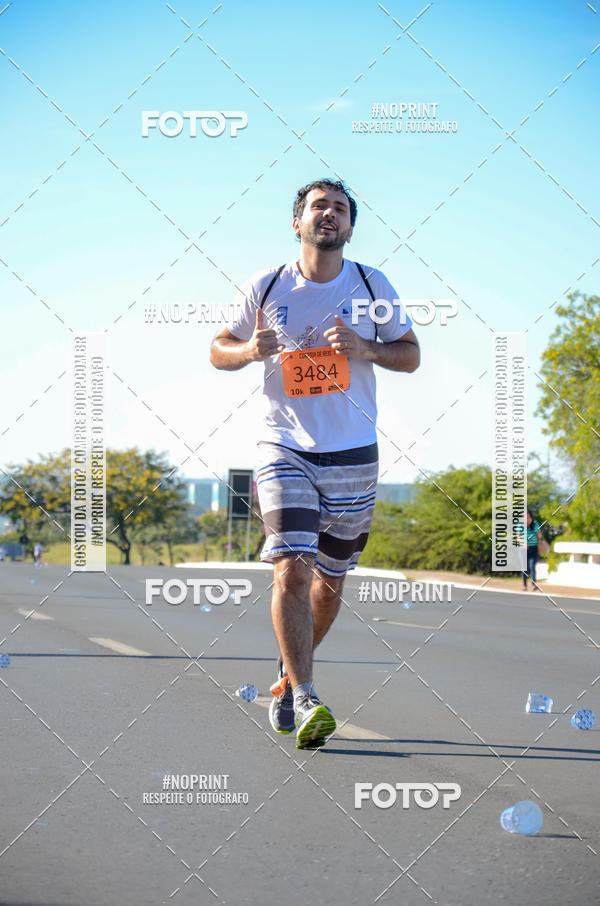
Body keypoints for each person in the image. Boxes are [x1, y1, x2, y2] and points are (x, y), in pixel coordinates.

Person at [210, 178, 420, 748]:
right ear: (297, 222)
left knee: (330, 581)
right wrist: (250, 350)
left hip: (353, 451)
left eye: (341, 209)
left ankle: (284, 676)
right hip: (283, 446)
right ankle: (306, 697)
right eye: (318, 206)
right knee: (293, 569)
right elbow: (218, 349)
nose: (330, 214)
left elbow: (411, 354)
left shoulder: (373, 285)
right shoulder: (268, 283)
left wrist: (367, 348)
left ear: (350, 227)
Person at [519, 509, 541, 591]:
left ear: (530, 517)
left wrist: (539, 535)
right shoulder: (520, 525)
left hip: (533, 548)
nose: (526, 518)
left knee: (532, 566)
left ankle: (533, 584)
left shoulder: (535, 524)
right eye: (524, 516)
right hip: (523, 549)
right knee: (524, 568)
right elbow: (518, 538)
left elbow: (539, 536)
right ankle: (524, 585)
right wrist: (524, 544)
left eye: (528, 516)